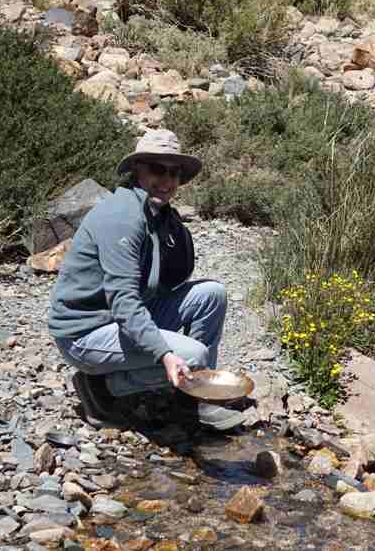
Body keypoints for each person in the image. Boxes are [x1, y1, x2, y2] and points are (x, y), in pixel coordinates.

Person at [47, 129, 244, 431]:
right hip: (86, 331)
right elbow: (124, 301)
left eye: (174, 172)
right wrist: (165, 353)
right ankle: (102, 384)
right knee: (194, 355)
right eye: (157, 170)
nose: (167, 181)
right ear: (138, 169)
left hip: (121, 316)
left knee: (211, 294)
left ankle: (191, 396)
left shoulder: (157, 213)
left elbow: (171, 278)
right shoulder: (123, 217)